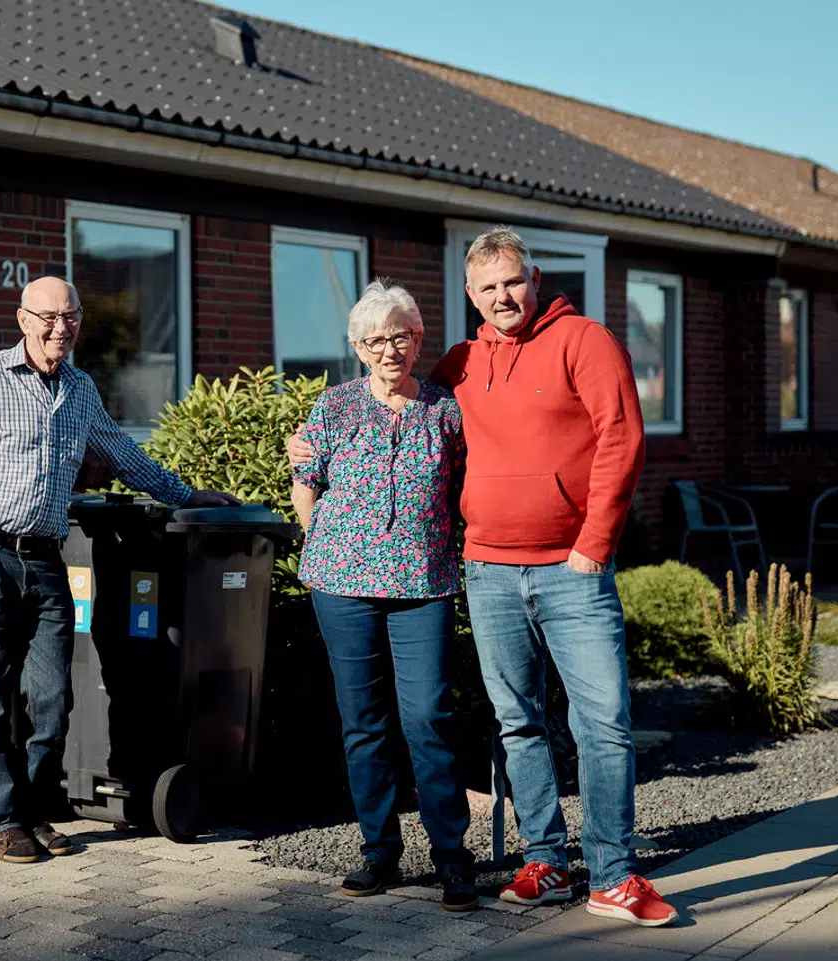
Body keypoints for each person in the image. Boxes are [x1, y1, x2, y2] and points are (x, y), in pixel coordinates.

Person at [288, 227, 678, 927]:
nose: (503, 296)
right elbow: (317, 467)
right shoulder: (457, 366)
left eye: (514, 281)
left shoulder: (576, 343)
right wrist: (312, 508)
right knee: (516, 722)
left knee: (601, 723)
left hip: (560, 567)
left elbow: (622, 437)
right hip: (486, 568)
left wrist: (594, 540)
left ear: (535, 278)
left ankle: (612, 871)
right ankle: (544, 862)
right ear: (471, 294)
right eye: (488, 286)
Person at [0, 276, 237, 865]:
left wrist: (185, 494)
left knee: (52, 694)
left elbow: (120, 452)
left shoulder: (80, 390)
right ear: (22, 319)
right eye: (49, 317)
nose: (61, 327)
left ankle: (36, 811)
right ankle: (4, 820)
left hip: (43, 557)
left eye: (72, 317)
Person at [290, 281, 478, 913]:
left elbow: (468, 489)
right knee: (363, 723)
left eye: (401, 336)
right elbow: (305, 477)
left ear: (418, 339)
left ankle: (451, 855)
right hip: (342, 584)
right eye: (376, 340)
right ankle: (379, 851)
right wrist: (315, 530)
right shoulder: (334, 407)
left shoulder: (447, 411)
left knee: (428, 718)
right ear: (357, 347)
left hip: (424, 582)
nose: (390, 349)